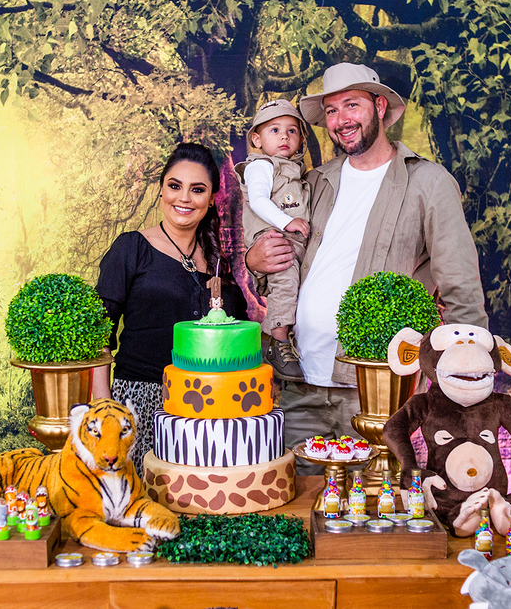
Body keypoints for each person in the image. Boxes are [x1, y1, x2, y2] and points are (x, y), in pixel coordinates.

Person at [246, 63, 488, 473]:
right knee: (298, 501)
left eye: (352, 105)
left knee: (373, 507)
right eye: (331, 110)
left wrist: (468, 376)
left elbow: (460, 286)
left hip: (376, 390)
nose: (341, 120)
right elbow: (282, 261)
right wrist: (254, 261)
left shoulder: (428, 182)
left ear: (379, 106)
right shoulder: (316, 181)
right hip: (300, 383)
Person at [92, 143, 249, 473]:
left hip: (210, 406)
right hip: (140, 402)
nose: (184, 198)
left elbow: (238, 335)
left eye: (197, 190)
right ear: (161, 190)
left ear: (211, 198)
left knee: (200, 495)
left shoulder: (218, 262)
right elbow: (98, 335)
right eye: (175, 186)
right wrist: (105, 409)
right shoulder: (132, 248)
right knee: (142, 497)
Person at [235, 99, 312, 381]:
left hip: (293, 240)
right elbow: (257, 200)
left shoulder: (294, 169)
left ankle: (290, 339)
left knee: (296, 287)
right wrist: (286, 222)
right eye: (275, 130)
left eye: (292, 131)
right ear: (257, 139)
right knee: (285, 282)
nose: (284, 137)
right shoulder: (261, 166)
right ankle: (277, 341)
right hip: (275, 239)